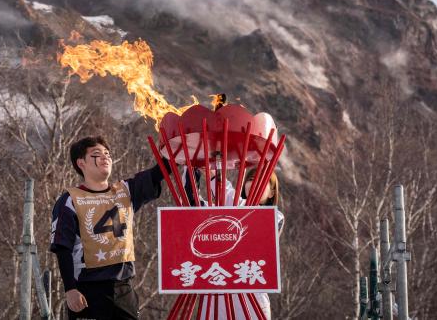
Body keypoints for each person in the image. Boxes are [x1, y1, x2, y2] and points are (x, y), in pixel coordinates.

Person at [50, 136, 169, 320]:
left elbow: (156, 173)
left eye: (107, 154)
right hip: (88, 290)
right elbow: (62, 247)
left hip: (123, 289)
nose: (105, 157)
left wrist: (174, 152)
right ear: (80, 163)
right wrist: (70, 289)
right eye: (96, 154)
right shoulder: (70, 200)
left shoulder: (124, 191)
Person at [184, 167, 284, 320]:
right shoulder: (223, 214)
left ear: (271, 193)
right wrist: (191, 170)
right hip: (217, 296)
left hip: (251, 298)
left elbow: (245, 211)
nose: (255, 183)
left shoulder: (275, 218)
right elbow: (194, 205)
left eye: (262, 181)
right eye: (251, 179)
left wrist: (216, 178)